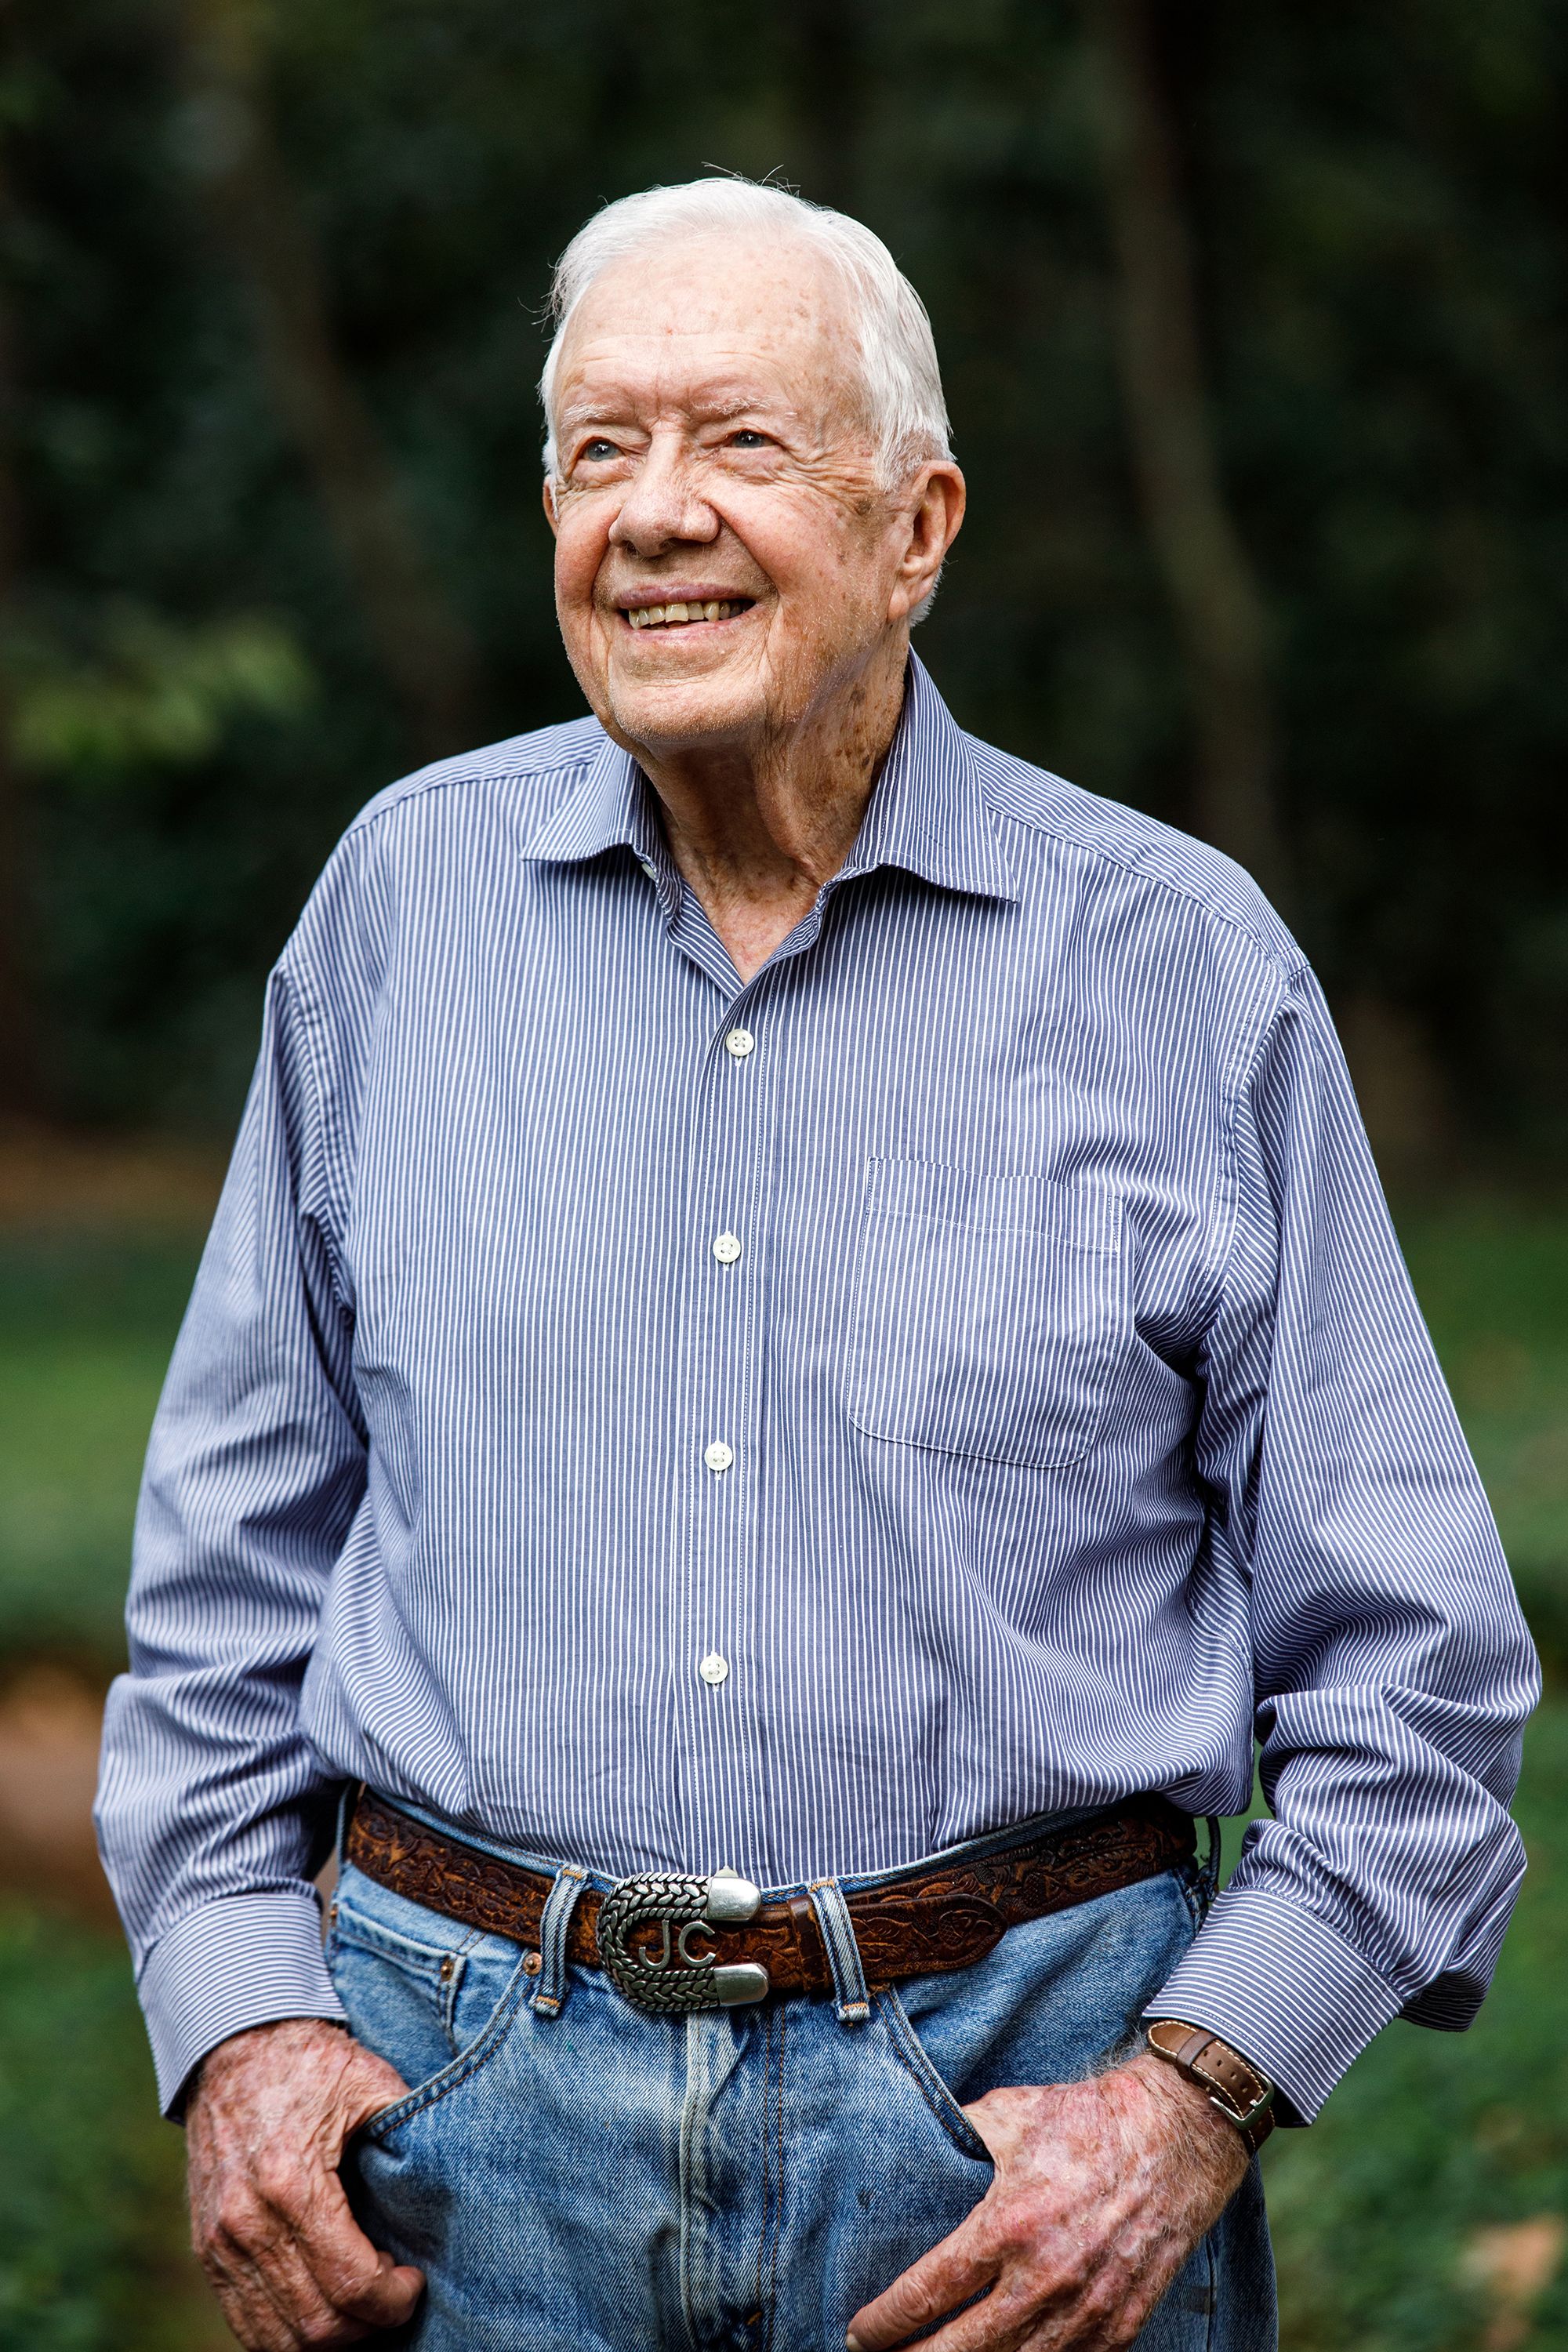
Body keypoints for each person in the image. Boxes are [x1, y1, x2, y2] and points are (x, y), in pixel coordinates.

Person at [96, 176, 1537, 2352]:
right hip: (463, 2147)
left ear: (919, 527)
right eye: (600, 452)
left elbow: (1412, 1655)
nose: (653, 513)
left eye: (739, 444)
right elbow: (231, 1560)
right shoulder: (400, 908)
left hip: (1006, 2138)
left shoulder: (1178, 964)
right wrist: (238, 2032)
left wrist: (1190, 2098)